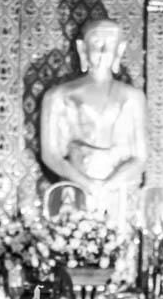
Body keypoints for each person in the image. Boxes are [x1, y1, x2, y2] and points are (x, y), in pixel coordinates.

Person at [41, 19, 147, 225]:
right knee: (74, 243)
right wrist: (86, 184)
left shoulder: (132, 97)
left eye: (111, 42)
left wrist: (107, 186)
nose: (104, 49)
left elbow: (140, 158)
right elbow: (51, 154)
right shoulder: (59, 96)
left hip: (118, 187)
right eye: (97, 41)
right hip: (75, 184)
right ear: (82, 47)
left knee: (117, 245)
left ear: (120, 48)